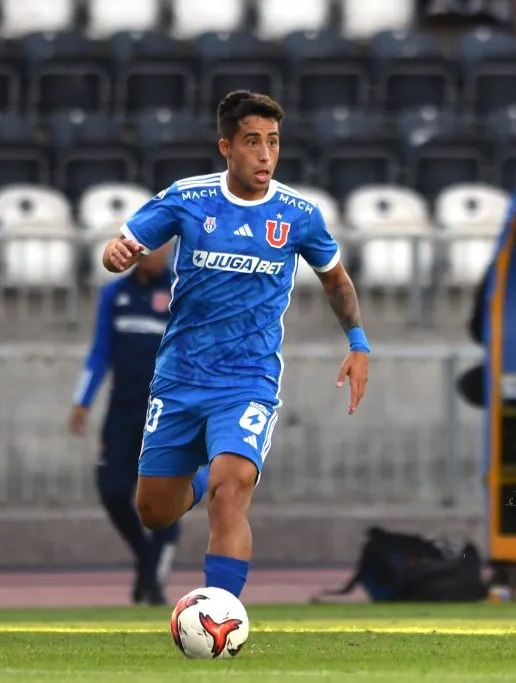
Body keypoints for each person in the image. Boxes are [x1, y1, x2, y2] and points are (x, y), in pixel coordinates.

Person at [99, 90, 370, 601]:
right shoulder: (189, 198)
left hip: (248, 379)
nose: (266, 154)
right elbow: (126, 247)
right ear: (227, 147)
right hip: (181, 375)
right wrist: (117, 256)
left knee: (233, 492)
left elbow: (336, 280)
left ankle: (220, 616)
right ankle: (200, 479)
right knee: (154, 512)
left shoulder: (298, 215)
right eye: (252, 142)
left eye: (273, 142)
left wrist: (358, 342)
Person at [70, 243, 178, 605]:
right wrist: (83, 400)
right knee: (113, 490)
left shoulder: (181, 290)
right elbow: (100, 351)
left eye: (161, 243)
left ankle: (153, 583)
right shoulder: (115, 293)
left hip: (167, 413)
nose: (153, 250)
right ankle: (147, 559)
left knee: (165, 496)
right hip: (122, 409)